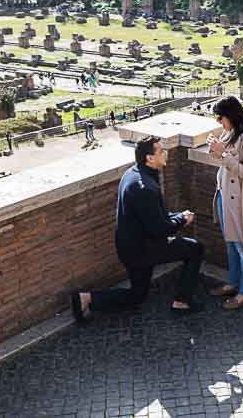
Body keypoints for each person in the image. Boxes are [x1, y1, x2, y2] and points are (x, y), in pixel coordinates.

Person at [72, 136, 202, 320]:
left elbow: (153, 217)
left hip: (131, 246)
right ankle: (182, 301)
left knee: (137, 295)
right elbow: (161, 229)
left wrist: (177, 216)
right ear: (149, 158)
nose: (165, 153)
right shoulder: (145, 188)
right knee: (195, 249)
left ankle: (86, 299)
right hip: (142, 250)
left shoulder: (133, 174)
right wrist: (182, 219)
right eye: (160, 151)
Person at [207, 96, 243, 311]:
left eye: (221, 117)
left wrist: (223, 155)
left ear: (231, 115)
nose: (220, 122)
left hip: (239, 201)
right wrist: (216, 151)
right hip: (223, 196)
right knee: (230, 243)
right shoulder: (230, 133)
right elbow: (223, 161)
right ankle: (232, 282)